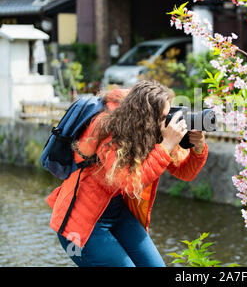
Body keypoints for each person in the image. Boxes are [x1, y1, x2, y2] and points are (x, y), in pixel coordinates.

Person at [46, 80, 208, 267]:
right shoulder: (106, 132)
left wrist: (198, 146)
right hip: (78, 225)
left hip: (115, 211)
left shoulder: (150, 133)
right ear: (145, 118)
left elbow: (185, 172)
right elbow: (131, 184)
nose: (168, 121)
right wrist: (166, 146)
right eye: (164, 117)